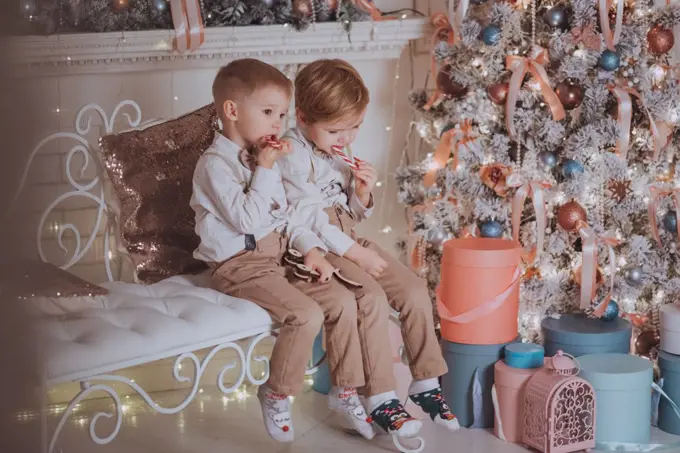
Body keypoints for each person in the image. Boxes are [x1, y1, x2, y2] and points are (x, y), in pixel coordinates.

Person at [190, 59, 375, 443]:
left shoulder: (264, 156)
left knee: (341, 300)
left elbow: (286, 216)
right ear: (232, 111)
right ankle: (276, 392)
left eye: (282, 114)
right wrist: (267, 168)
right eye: (269, 113)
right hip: (239, 267)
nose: (278, 124)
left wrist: (311, 250)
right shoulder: (215, 165)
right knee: (305, 315)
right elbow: (247, 218)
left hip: (279, 257)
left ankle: (346, 389)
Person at [278, 59, 460, 435]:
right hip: (319, 249)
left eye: (356, 127)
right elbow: (311, 220)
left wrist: (361, 195)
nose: (346, 138)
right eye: (336, 130)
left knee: (412, 289)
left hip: (348, 238)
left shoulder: (334, 151)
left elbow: (351, 216)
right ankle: (379, 396)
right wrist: (355, 253)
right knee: (371, 296)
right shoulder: (291, 155)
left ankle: (425, 380)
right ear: (302, 117)